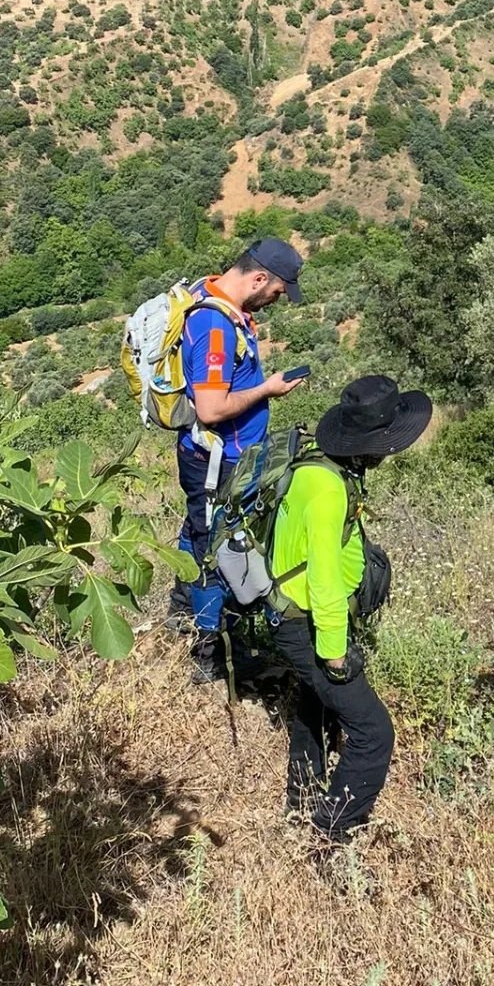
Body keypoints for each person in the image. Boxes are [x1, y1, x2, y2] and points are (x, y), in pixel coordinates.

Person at [267, 375, 431, 843]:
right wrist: (335, 653)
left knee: (315, 704)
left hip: (294, 616)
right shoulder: (327, 488)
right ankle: (333, 832)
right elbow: (321, 576)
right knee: (373, 732)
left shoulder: (321, 468)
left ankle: (300, 802)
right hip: (308, 623)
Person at [173, 238, 307, 681]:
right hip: (218, 463)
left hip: (224, 460)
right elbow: (211, 409)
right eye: (276, 292)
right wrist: (267, 389)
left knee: (199, 536)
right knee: (216, 550)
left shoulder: (214, 299)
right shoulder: (215, 326)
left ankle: (183, 614)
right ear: (258, 278)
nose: (275, 301)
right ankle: (210, 654)